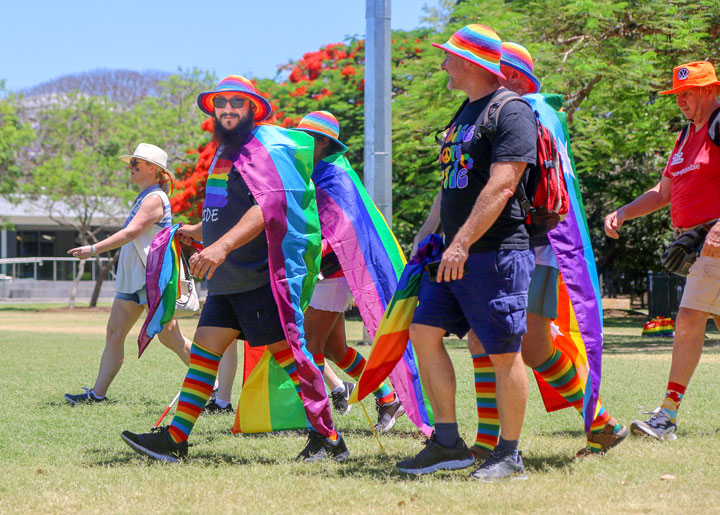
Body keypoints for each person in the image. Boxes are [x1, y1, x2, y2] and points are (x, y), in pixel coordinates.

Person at [120, 75, 347, 462]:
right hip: (228, 278)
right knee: (206, 352)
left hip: (257, 277)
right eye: (220, 102)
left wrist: (222, 246)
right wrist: (197, 232)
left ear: (252, 109)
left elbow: (268, 208)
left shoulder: (259, 150)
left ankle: (329, 439)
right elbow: (227, 210)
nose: (226, 108)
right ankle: (175, 440)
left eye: (235, 102)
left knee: (290, 357)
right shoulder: (225, 153)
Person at [456, 42, 626, 460]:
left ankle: (491, 441)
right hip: (532, 249)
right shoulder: (537, 111)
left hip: (525, 248)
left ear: (512, 76)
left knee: (492, 338)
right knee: (524, 345)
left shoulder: (520, 110)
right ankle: (600, 422)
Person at [396, 25, 537, 482]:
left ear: (473, 64)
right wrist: (428, 231)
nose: (442, 65)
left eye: (449, 58)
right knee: (423, 331)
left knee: (502, 350)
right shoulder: (465, 111)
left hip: (496, 254)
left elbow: (503, 185)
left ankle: (509, 454)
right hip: (452, 253)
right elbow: (451, 183)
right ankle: (447, 443)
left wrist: (462, 242)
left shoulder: (511, 112)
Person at [604, 61, 720, 441]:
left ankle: (667, 416)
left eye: (687, 93)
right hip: (699, 244)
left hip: (714, 240)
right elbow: (663, 192)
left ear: (708, 90)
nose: (681, 100)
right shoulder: (686, 135)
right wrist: (623, 212)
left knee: (687, 319)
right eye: (677, 95)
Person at [295, 111, 405, 433]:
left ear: (324, 142)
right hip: (329, 271)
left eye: (307, 140)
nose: (300, 145)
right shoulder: (318, 172)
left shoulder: (334, 175)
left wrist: (315, 251)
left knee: (309, 347)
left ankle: (317, 420)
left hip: (334, 271)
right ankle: (387, 397)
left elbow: (343, 227)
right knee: (334, 349)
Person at [64, 144, 191, 404]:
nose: (130, 167)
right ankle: (97, 394)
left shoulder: (155, 198)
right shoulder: (146, 196)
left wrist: (93, 248)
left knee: (171, 338)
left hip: (151, 279)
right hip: (135, 278)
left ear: (154, 169)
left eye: (137, 163)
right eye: (131, 162)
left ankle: (214, 385)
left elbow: (131, 232)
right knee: (114, 332)